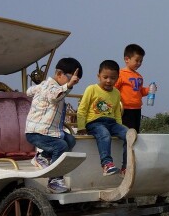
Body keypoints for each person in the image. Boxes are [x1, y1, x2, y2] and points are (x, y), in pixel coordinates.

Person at [24, 57, 82, 193]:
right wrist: (68, 86)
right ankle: (54, 180)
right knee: (60, 146)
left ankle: (42, 156)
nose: (72, 82)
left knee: (70, 140)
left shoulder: (46, 85)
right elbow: (53, 97)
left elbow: (30, 91)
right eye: (71, 78)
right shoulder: (50, 86)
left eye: (76, 80)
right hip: (37, 132)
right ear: (59, 74)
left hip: (49, 131)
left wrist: (32, 91)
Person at [77, 60, 131, 176]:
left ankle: (126, 167)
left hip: (112, 123)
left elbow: (117, 112)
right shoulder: (91, 89)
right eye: (105, 77)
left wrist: (120, 126)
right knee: (104, 133)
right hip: (95, 123)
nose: (108, 81)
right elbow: (82, 109)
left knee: (129, 134)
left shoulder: (116, 93)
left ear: (117, 78)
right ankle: (106, 164)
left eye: (112, 78)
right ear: (98, 76)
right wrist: (81, 126)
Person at [115, 43, 151, 132]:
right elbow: (114, 89)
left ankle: (132, 146)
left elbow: (140, 91)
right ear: (127, 59)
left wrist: (149, 90)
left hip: (137, 109)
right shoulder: (120, 74)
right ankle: (126, 146)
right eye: (137, 60)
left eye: (141, 61)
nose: (139, 63)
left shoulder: (139, 76)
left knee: (135, 132)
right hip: (125, 109)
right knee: (127, 132)